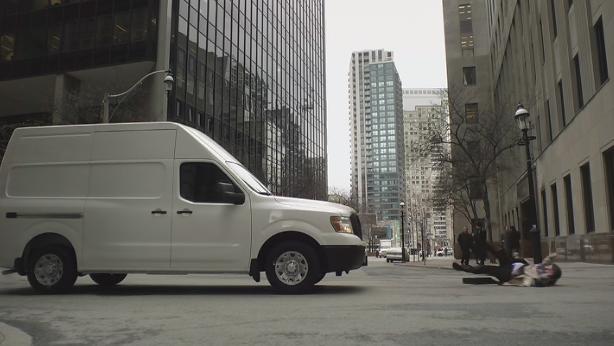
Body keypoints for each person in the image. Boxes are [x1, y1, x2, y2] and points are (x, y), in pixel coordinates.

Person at [453, 242, 561, 287]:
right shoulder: (543, 268)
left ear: (552, 275)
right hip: (515, 264)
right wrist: (553, 256)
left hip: (509, 273)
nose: (547, 268)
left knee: (486, 268)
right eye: (549, 267)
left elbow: (528, 282)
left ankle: (464, 268)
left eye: (550, 269)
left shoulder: (542, 279)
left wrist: (508, 283)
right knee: (501, 252)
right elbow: (547, 261)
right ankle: (485, 244)